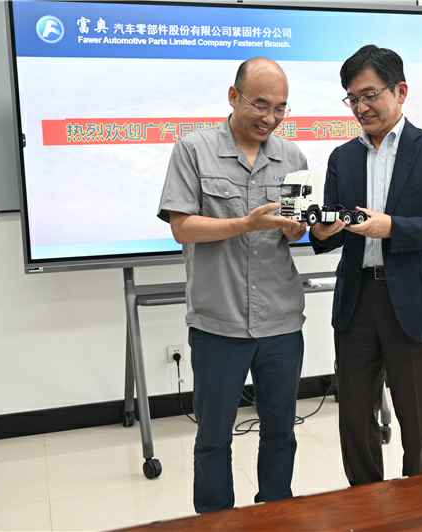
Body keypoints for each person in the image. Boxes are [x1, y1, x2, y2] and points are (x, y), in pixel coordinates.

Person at [311, 45, 422, 486]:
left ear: (400, 91)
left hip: (418, 301)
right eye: (352, 99)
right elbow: (335, 229)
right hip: (357, 300)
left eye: (369, 95)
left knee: (420, 420)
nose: (361, 108)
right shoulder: (342, 158)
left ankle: (420, 507)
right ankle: (364, 505)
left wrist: (392, 227)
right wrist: (322, 233)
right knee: (354, 419)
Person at [157, 57, 308, 513]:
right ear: (232, 96)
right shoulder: (193, 150)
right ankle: (215, 519)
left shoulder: (293, 158)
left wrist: (297, 228)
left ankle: (276, 514)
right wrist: (244, 223)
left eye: (280, 108)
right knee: (213, 437)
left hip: (281, 321)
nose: (270, 117)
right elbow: (182, 227)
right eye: (260, 104)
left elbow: (294, 230)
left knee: (280, 431)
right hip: (218, 322)